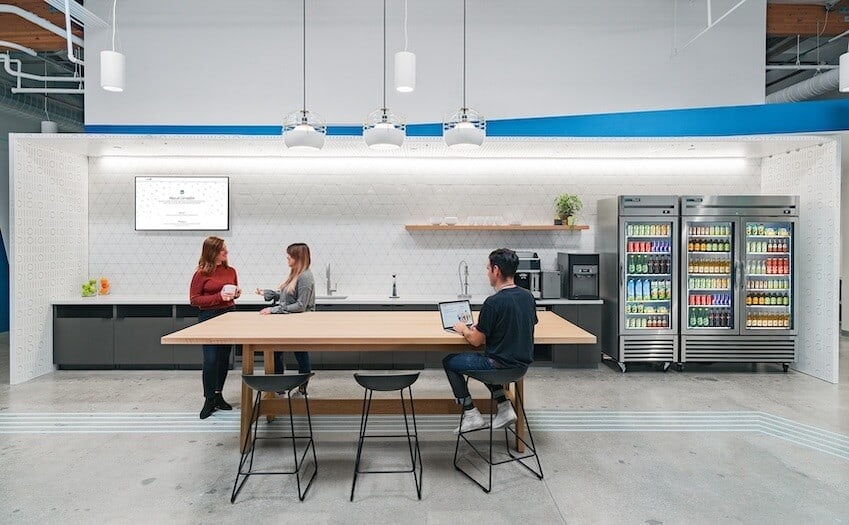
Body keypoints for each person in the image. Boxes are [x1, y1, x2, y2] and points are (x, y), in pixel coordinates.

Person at [442, 248, 538, 434]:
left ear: (496, 270)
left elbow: (476, 341)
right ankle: (504, 407)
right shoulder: (528, 296)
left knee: (449, 361)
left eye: (488, 268)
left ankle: (471, 414)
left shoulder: (493, 302)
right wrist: (486, 325)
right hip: (520, 368)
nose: (487, 273)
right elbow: (525, 322)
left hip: (497, 368)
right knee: (486, 358)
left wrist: (464, 329)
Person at [190, 236, 241, 420]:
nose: (226, 252)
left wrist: (236, 293)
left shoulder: (231, 271)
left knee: (223, 359)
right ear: (212, 252)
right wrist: (219, 296)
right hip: (209, 317)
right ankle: (208, 399)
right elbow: (194, 300)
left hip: (228, 315)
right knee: (210, 359)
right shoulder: (201, 274)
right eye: (222, 250)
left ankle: (218, 395)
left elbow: (232, 293)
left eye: (225, 249)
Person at [256, 243, 315, 391]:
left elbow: (300, 305)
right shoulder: (294, 273)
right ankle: (279, 385)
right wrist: (271, 294)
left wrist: (274, 310)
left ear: (298, 257)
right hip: (287, 322)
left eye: (290, 255)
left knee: (300, 353)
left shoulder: (305, 276)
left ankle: (302, 386)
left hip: (298, 323)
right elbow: (288, 295)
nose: (287, 257)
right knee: (276, 351)